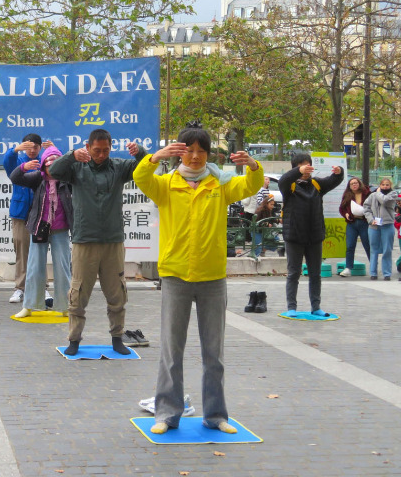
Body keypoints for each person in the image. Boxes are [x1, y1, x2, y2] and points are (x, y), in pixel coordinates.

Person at [134, 122, 263, 435]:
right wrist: (155, 157)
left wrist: (253, 166)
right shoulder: (165, 185)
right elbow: (140, 177)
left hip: (212, 277)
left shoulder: (219, 185)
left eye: (200, 151)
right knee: (171, 350)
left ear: (208, 154)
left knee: (213, 352)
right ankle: (167, 414)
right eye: (188, 150)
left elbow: (250, 186)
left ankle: (216, 415)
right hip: (176, 275)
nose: (194, 157)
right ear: (179, 152)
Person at [47, 129, 146, 356]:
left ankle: (117, 338)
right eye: (97, 150)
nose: (101, 154)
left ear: (111, 148)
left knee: (117, 294)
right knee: (79, 293)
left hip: (113, 240)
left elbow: (148, 165)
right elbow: (53, 171)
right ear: (88, 147)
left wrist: (139, 151)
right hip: (85, 240)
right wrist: (72, 155)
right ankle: (74, 340)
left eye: (105, 150)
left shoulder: (120, 167)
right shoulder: (77, 167)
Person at [9, 144, 72, 318]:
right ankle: (29, 306)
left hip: (60, 229)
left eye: (56, 165)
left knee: (63, 268)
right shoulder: (38, 178)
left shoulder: (68, 181)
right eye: (48, 165)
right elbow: (15, 178)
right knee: (34, 267)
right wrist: (23, 167)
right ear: (43, 165)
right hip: (39, 227)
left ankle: (65, 306)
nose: (52, 169)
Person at [279, 153, 344, 317]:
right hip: (294, 236)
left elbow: (334, 180)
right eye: (302, 165)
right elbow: (283, 180)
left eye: (308, 165)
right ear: (295, 167)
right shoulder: (290, 186)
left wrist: (339, 172)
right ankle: (291, 307)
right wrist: (298, 171)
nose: (307, 169)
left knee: (315, 273)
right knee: (294, 273)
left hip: (315, 236)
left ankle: (316, 307)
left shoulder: (316, 184)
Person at [2, 133, 46, 304]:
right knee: (21, 251)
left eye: (36, 147)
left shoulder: (44, 161)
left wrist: (54, 151)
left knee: (40, 251)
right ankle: (20, 288)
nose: (33, 150)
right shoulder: (18, 161)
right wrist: (14, 151)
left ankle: (42, 288)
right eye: (28, 147)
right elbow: (7, 164)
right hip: (20, 212)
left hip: (41, 212)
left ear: (40, 147)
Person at [363, 177, 397, 281]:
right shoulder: (372, 195)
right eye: (383, 185)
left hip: (387, 225)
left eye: (387, 185)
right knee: (374, 249)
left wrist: (377, 193)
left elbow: (384, 201)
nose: (385, 186)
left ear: (390, 186)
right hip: (374, 226)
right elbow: (366, 207)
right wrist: (370, 219)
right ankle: (373, 273)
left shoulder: (393, 194)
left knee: (387, 250)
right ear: (380, 185)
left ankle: (387, 273)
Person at [339, 177, 371, 277]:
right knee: (350, 246)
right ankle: (348, 268)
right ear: (349, 186)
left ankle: (373, 266)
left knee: (367, 245)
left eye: (356, 183)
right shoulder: (347, 195)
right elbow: (342, 208)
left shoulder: (367, 193)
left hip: (364, 222)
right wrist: (346, 215)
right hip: (352, 223)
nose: (354, 185)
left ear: (359, 183)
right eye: (352, 183)